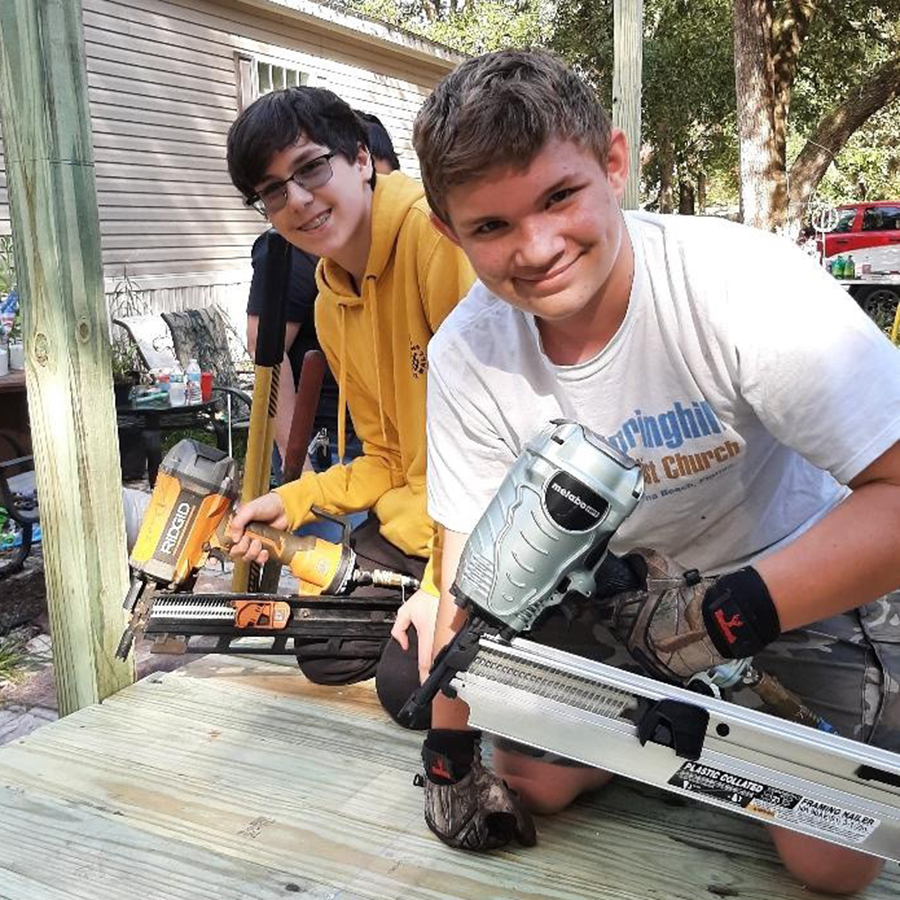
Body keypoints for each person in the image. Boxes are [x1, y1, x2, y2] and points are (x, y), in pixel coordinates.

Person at [413, 49, 900, 891]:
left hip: (794, 580)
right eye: (491, 226)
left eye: (559, 196)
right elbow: (475, 591)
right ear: (448, 231)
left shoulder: (739, 284)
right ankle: (668, 730)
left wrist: (726, 619)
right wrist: (451, 750)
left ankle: (709, 718)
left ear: (614, 160)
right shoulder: (467, 352)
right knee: (533, 782)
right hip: (626, 603)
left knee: (835, 860)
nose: (536, 247)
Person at [225, 86, 474, 725]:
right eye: (273, 191)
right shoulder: (330, 303)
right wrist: (292, 502)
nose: (298, 200)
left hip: (482, 523)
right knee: (324, 649)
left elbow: (491, 445)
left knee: (409, 693)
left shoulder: (433, 238)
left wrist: (436, 590)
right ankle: (420, 614)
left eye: (311, 168)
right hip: (416, 521)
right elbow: (386, 457)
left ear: (361, 159)